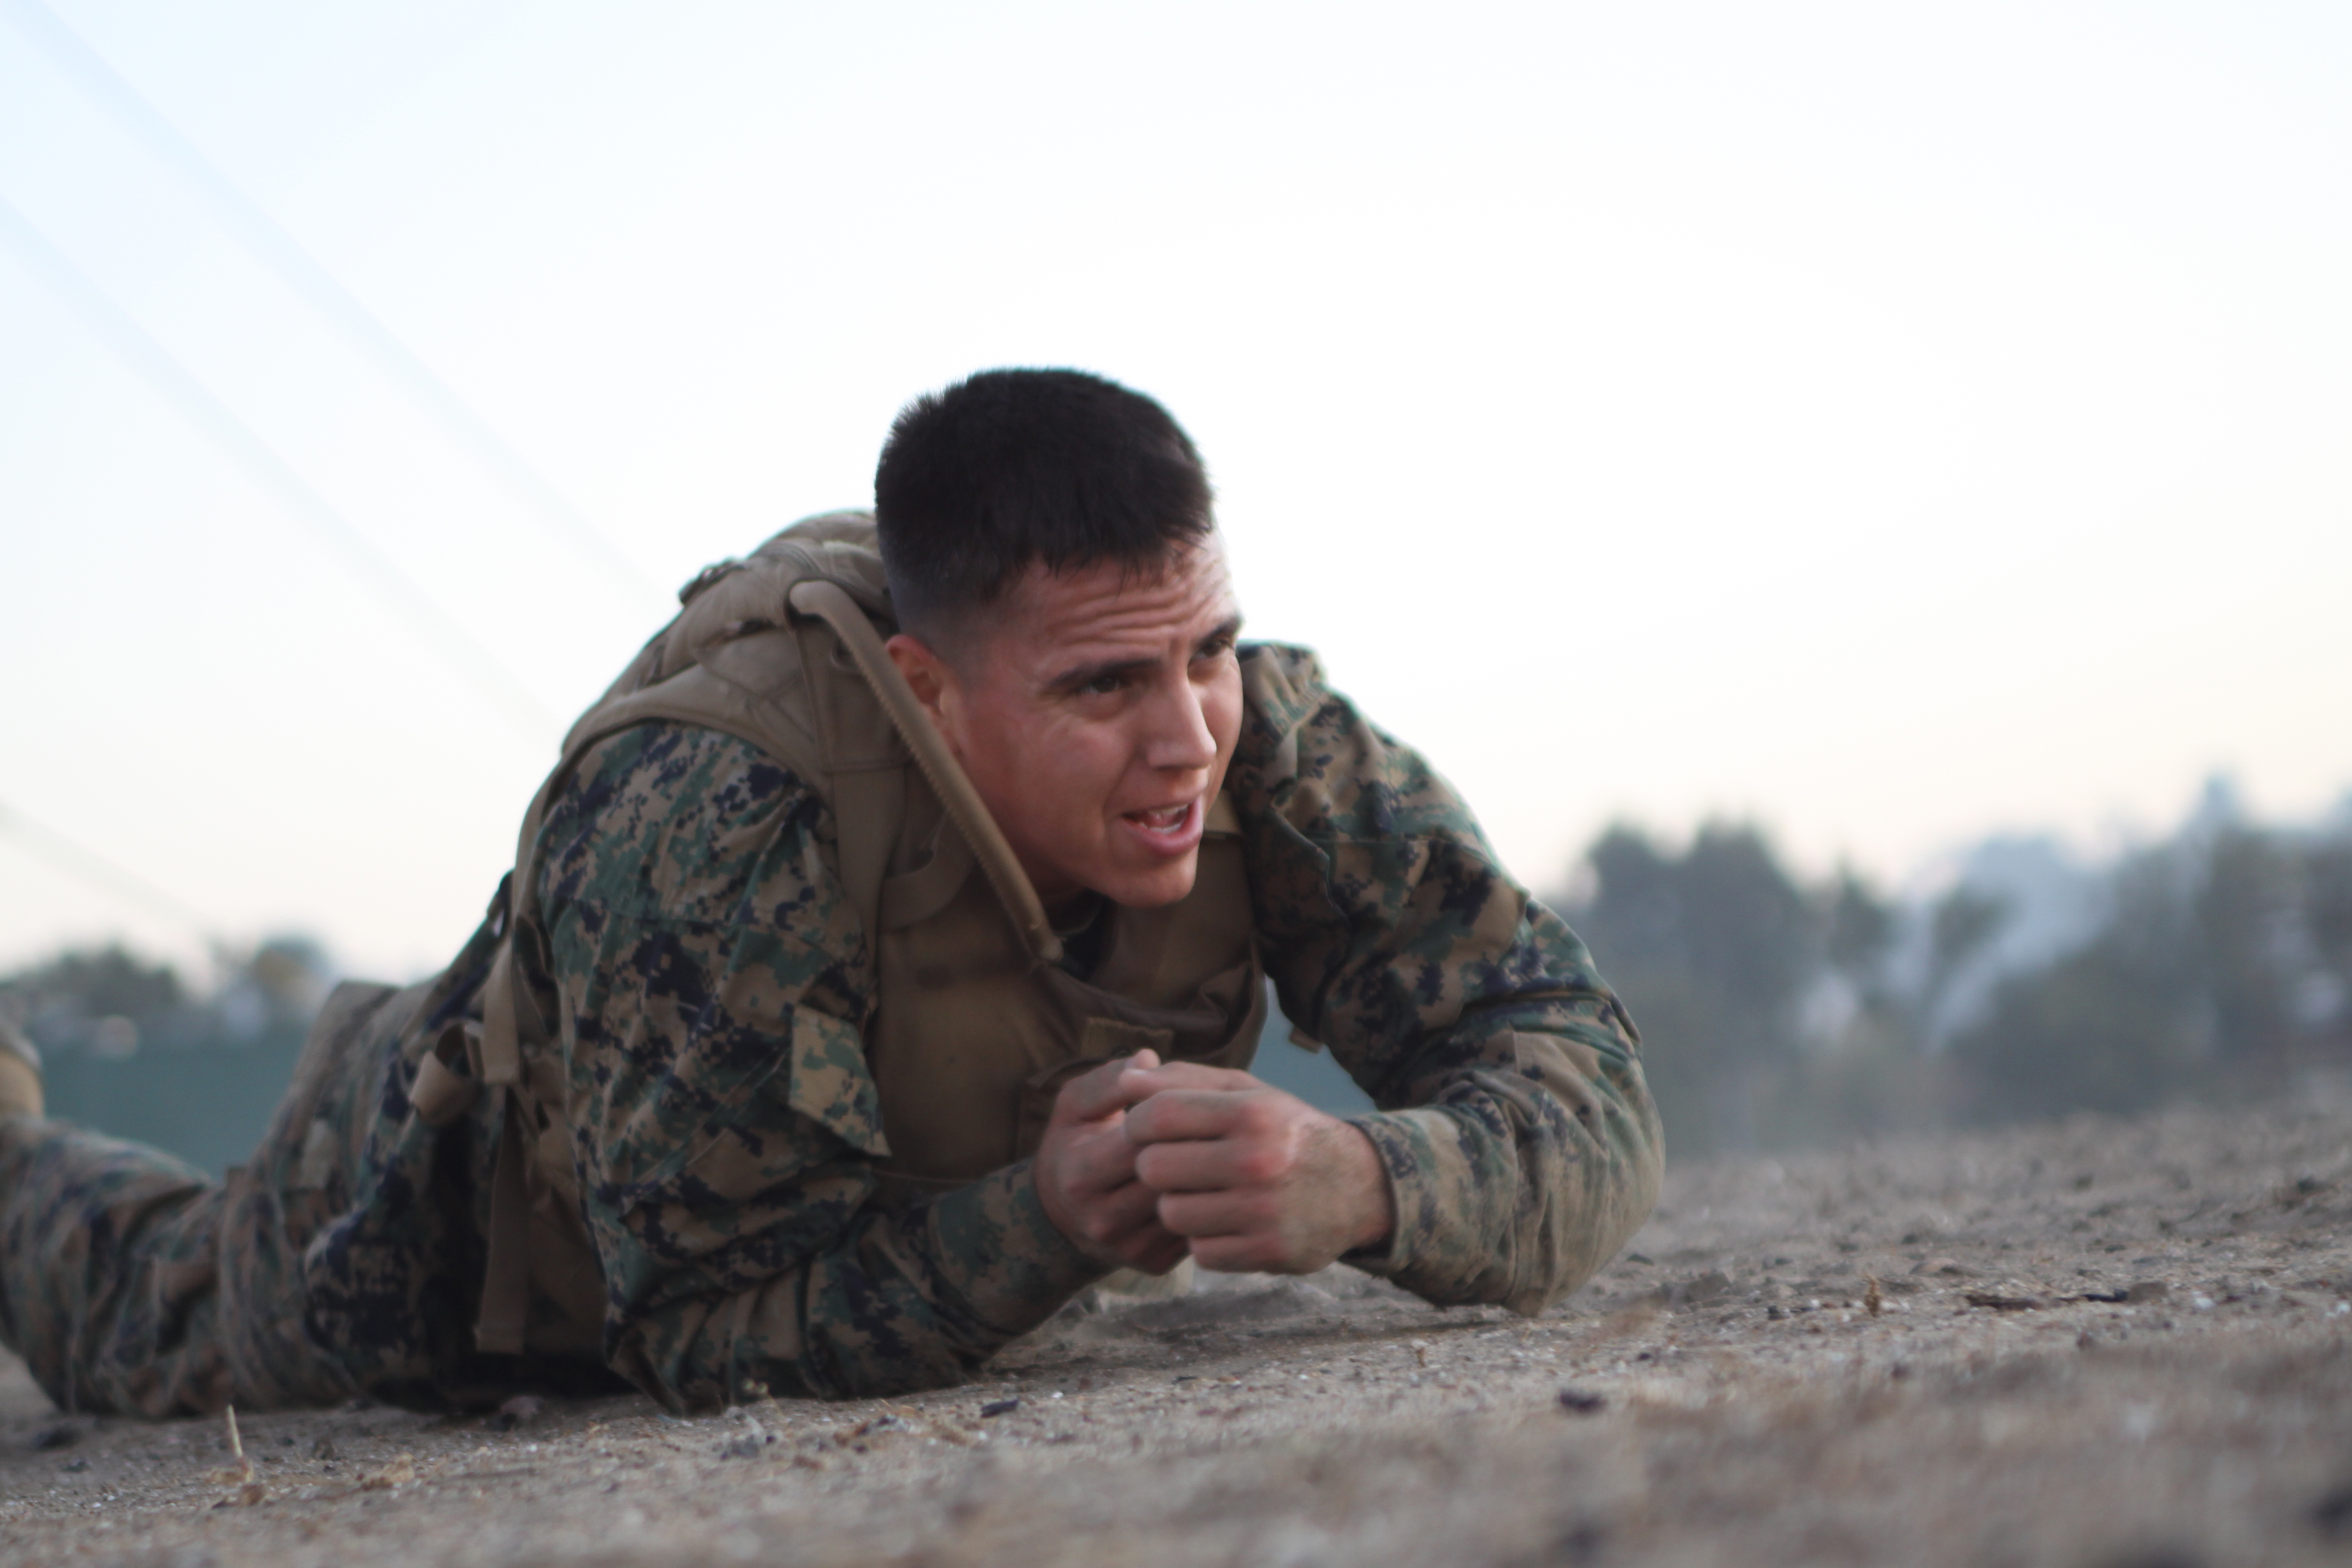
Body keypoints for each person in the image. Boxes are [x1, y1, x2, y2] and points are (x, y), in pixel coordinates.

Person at [0, 369, 1662, 1417]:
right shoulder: (718, 819)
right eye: (1102, 690)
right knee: (147, 1300)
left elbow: (1575, 1062)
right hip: (442, 1226)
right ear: (932, 694)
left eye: (1208, 652)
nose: (1186, 744)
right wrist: (1044, 1224)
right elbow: (702, 1338)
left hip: (814, 1210)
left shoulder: (1266, 741)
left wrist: (1377, 1178)